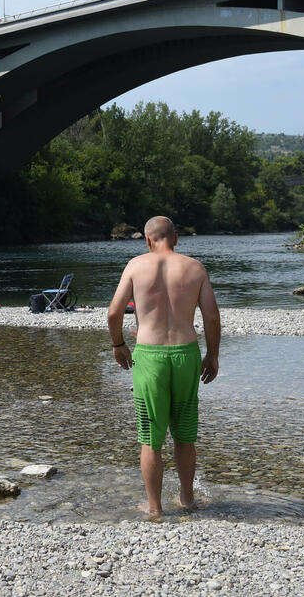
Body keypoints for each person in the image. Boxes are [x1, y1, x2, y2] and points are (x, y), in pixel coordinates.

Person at [106, 216, 220, 518]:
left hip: (150, 355)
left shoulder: (135, 266)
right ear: (176, 238)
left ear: (147, 240)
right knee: (184, 433)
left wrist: (118, 345)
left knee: (150, 436)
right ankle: (187, 500)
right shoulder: (195, 268)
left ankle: (154, 508)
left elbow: (114, 312)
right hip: (186, 354)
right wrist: (213, 355)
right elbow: (211, 318)